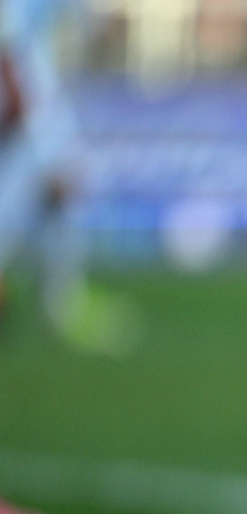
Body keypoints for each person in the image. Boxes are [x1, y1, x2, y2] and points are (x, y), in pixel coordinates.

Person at [0, 0, 135, 355]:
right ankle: (59, 307)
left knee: (64, 202)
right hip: (25, 128)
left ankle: (61, 307)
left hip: (34, 125)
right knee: (45, 206)